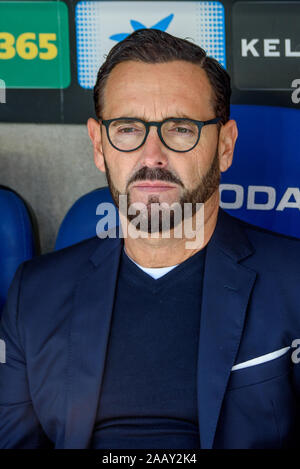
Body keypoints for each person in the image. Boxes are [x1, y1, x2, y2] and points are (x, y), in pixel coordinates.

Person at [0, 28, 300, 449]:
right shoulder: (35, 292)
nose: (152, 155)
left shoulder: (294, 281)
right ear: (99, 145)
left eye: (180, 128)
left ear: (225, 146)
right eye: (127, 128)